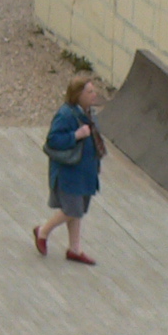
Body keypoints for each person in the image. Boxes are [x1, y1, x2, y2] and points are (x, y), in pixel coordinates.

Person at [34, 73, 105, 265]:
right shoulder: (66, 114)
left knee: (78, 210)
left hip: (85, 172)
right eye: (89, 91)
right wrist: (76, 135)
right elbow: (53, 140)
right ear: (78, 94)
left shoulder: (90, 113)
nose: (94, 94)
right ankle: (43, 231)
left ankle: (75, 249)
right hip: (69, 173)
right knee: (72, 210)